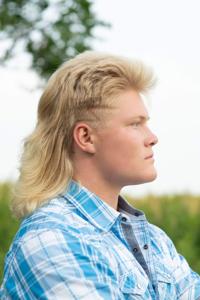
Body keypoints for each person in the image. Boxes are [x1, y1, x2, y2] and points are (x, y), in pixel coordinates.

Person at [0, 52, 200, 300]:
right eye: (135, 124)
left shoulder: (155, 240)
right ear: (86, 137)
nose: (152, 137)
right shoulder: (52, 240)